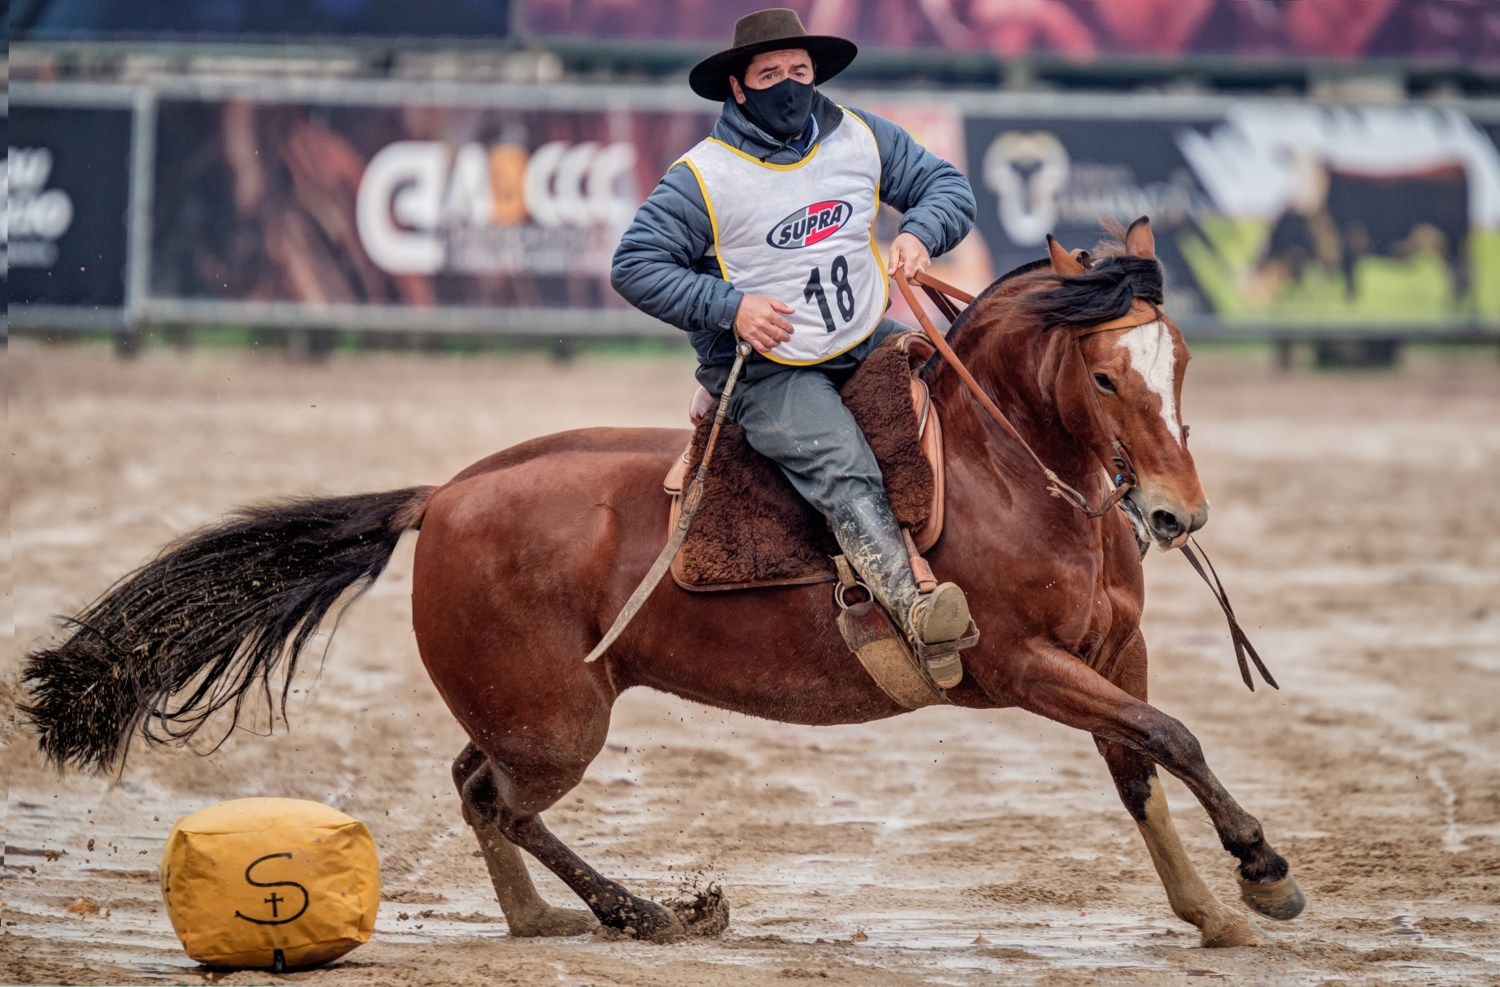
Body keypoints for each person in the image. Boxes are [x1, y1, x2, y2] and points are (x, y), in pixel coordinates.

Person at [610, 7, 978, 686]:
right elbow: (635, 264)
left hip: (866, 332)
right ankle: (914, 609)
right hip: (766, 370)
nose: (788, 83)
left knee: (971, 387)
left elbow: (945, 185)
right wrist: (732, 307)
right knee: (844, 465)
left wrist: (921, 231)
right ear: (738, 88)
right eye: (770, 73)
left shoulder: (863, 136)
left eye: (799, 72)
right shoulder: (702, 177)